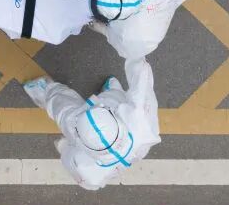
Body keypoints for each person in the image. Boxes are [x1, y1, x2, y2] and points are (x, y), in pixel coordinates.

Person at [22, 56, 159, 190]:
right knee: (115, 94)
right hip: (126, 126)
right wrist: (136, 54)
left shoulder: (84, 165)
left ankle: (44, 90)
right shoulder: (141, 122)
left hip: (112, 110)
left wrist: (65, 147)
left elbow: (67, 153)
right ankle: (112, 88)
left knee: (62, 105)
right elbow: (142, 77)